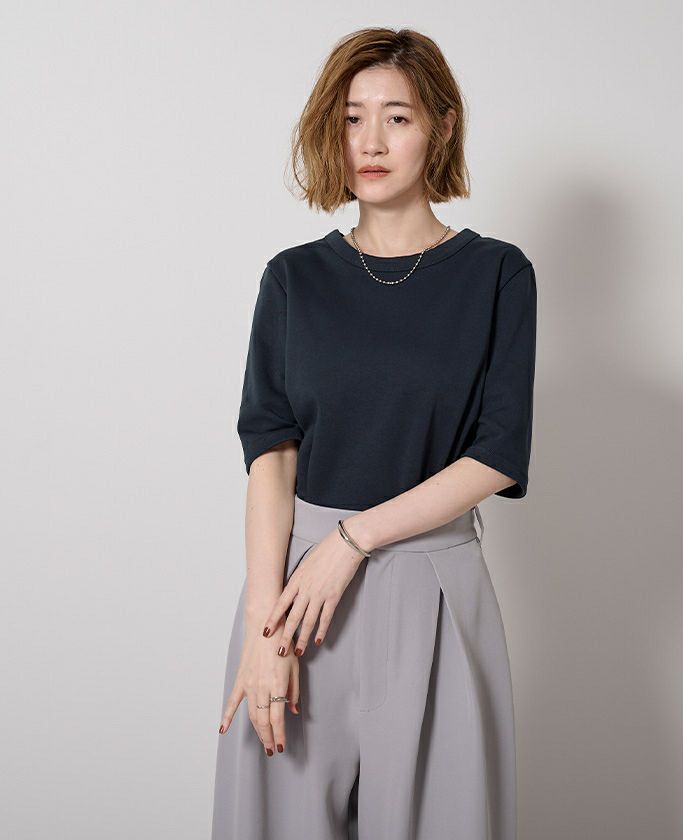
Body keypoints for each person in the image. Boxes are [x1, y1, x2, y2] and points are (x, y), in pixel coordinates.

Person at [211, 26, 537, 840]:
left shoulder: (497, 274)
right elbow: (270, 452)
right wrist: (263, 627)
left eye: (398, 117)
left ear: (442, 127)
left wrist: (352, 541)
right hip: (296, 604)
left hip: (433, 587)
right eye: (353, 118)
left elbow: (498, 451)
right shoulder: (293, 278)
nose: (372, 142)